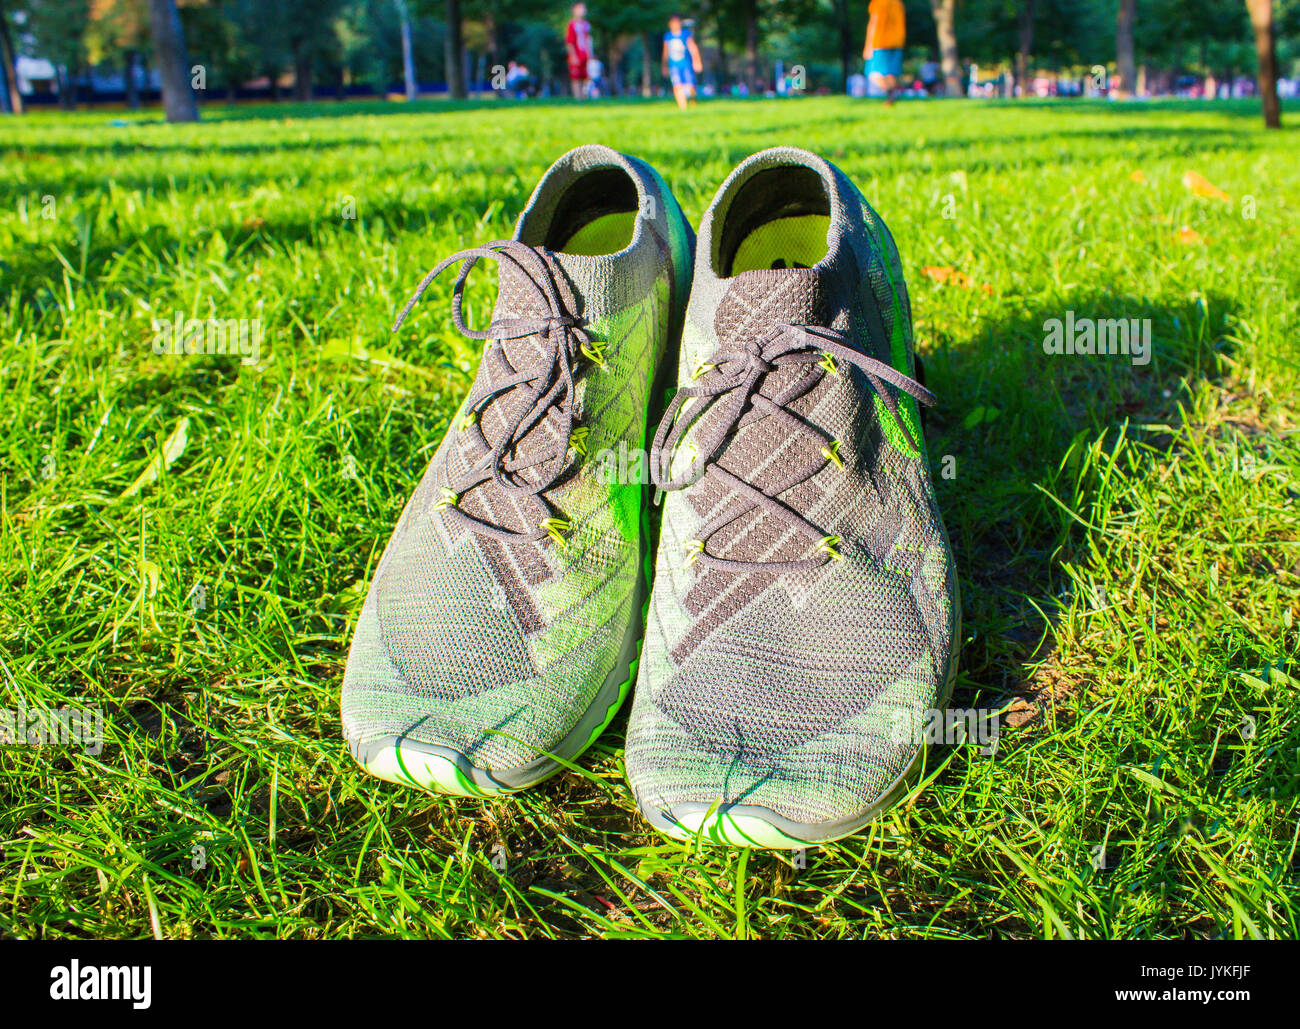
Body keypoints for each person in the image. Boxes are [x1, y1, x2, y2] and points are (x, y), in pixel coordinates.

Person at [862, 0, 905, 105]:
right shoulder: (898, 3)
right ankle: (891, 98)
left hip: (880, 42)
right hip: (897, 42)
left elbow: (874, 23)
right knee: (891, 73)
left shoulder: (878, 3)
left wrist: (868, 45)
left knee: (872, 73)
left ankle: (890, 93)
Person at [662, 13, 703, 110]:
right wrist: (664, 66)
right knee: (677, 85)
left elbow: (693, 48)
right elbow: (665, 52)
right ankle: (683, 107)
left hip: (686, 64)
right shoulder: (667, 36)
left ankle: (693, 102)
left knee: (690, 85)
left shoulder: (686, 34)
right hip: (674, 65)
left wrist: (697, 60)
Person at [566, 2, 593, 99]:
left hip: (584, 54)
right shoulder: (572, 25)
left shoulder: (586, 25)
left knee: (584, 76)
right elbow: (570, 42)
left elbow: (588, 40)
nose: (583, 11)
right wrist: (573, 55)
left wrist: (590, 53)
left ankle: (583, 96)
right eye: (580, 8)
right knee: (575, 77)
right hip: (576, 54)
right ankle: (577, 97)